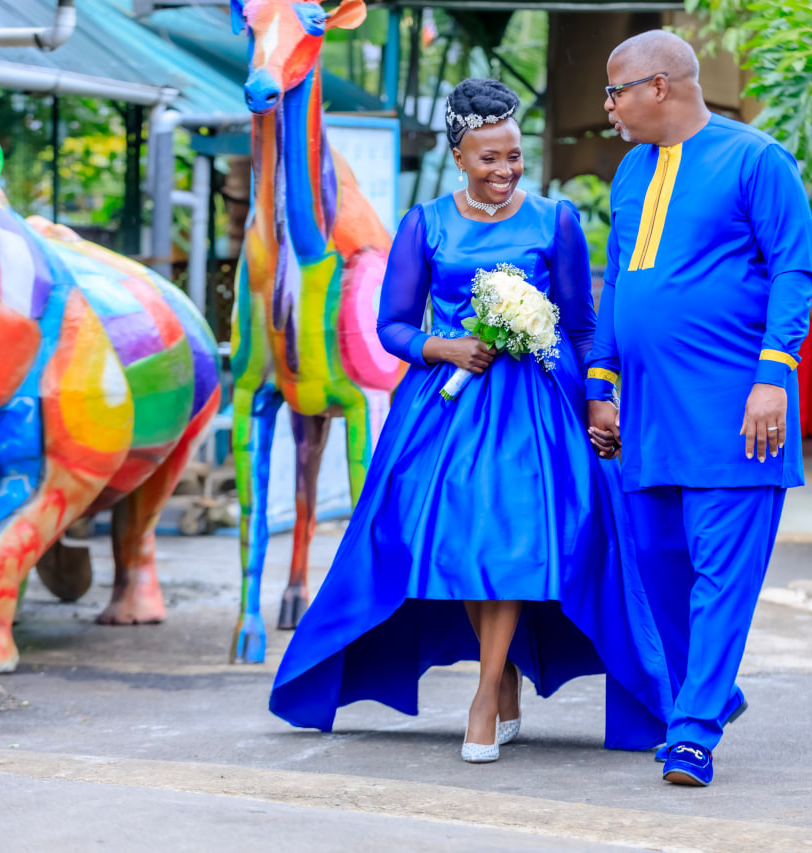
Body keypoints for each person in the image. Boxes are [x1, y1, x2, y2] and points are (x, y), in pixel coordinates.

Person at [270, 78, 671, 763]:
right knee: (461, 547)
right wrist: (443, 345)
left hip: (537, 414)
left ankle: (485, 694)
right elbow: (391, 325)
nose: (505, 170)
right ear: (459, 155)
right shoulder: (426, 224)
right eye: (489, 158)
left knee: (514, 547)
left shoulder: (556, 220)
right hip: (448, 412)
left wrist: (598, 399)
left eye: (513, 155)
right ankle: (504, 671)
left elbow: (580, 327)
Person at [586, 31, 812, 787]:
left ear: (659, 87)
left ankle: (691, 733)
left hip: (735, 412)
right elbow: (618, 280)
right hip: (650, 413)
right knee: (657, 566)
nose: (608, 106)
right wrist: (602, 380)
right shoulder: (629, 172)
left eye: (616, 91)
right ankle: (712, 689)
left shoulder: (757, 161)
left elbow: (795, 270)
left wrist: (772, 374)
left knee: (721, 572)